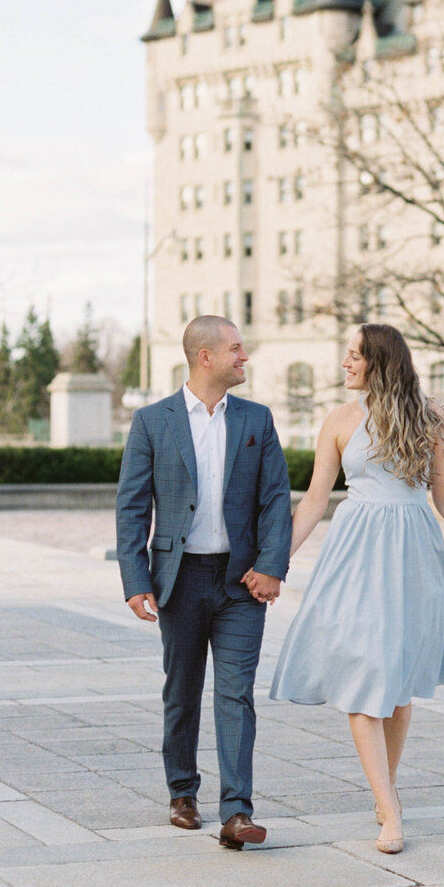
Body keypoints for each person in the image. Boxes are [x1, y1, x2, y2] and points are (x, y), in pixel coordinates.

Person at [270, 323, 444, 853]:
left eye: (353, 355)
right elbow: (316, 500)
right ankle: (390, 810)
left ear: (380, 361)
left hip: (414, 551)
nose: (345, 364)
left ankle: (383, 792)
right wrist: (275, 564)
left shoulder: (428, 417)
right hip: (356, 552)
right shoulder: (339, 420)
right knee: (364, 671)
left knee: (396, 682)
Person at [116, 316, 292, 849]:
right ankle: (182, 792)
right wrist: (134, 578)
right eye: (237, 349)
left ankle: (238, 812)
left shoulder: (257, 420)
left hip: (242, 583)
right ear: (205, 357)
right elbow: (131, 505)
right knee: (183, 692)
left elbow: (276, 498)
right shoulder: (153, 421)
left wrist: (272, 566)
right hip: (180, 579)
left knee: (236, 694)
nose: (245, 358)